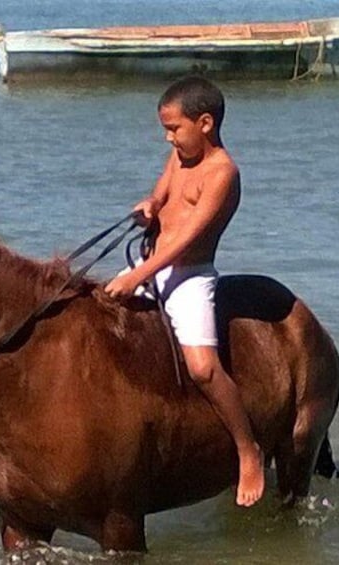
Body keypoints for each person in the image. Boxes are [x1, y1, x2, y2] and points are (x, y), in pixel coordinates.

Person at [105, 76, 265, 507]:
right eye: (166, 129)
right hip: (152, 264)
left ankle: (247, 449)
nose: (168, 137)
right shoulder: (180, 156)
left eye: (175, 128)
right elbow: (162, 193)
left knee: (202, 368)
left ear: (206, 123)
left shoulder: (222, 173)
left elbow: (188, 239)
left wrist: (136, 277)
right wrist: (150, 206)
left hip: (189, 276)